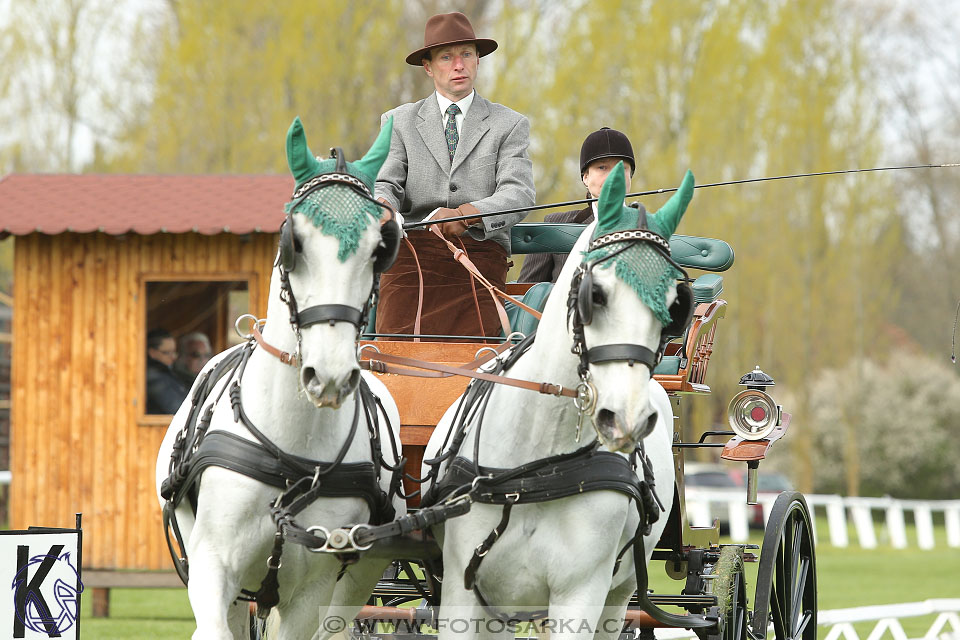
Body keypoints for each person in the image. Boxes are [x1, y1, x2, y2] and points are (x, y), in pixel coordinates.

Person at [375, 11, 536, 338]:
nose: (458, 65)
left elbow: (519, 193)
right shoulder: (398, 121)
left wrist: (467, 214)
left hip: (478, 258)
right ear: (429, 67)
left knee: (473, 361)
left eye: (466, 54)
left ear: (478, 60)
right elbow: (385, 183)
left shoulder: (510, 124)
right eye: (446, 57)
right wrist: (382, 207)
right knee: (394, 356)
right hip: (411, 259)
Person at [518, 127, 640, 283]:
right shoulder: (555, 225)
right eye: (602, 168)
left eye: (621, 168)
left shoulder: (649, 227)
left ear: (630, 176)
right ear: (586, 177)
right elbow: (528, 293)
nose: (612, 177)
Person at [146, 328, 188, 414]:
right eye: (167, 352)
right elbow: (178, 408)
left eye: (174, 352)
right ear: (152, 352)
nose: (173, 357)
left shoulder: (168, 371)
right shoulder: (152, 377)